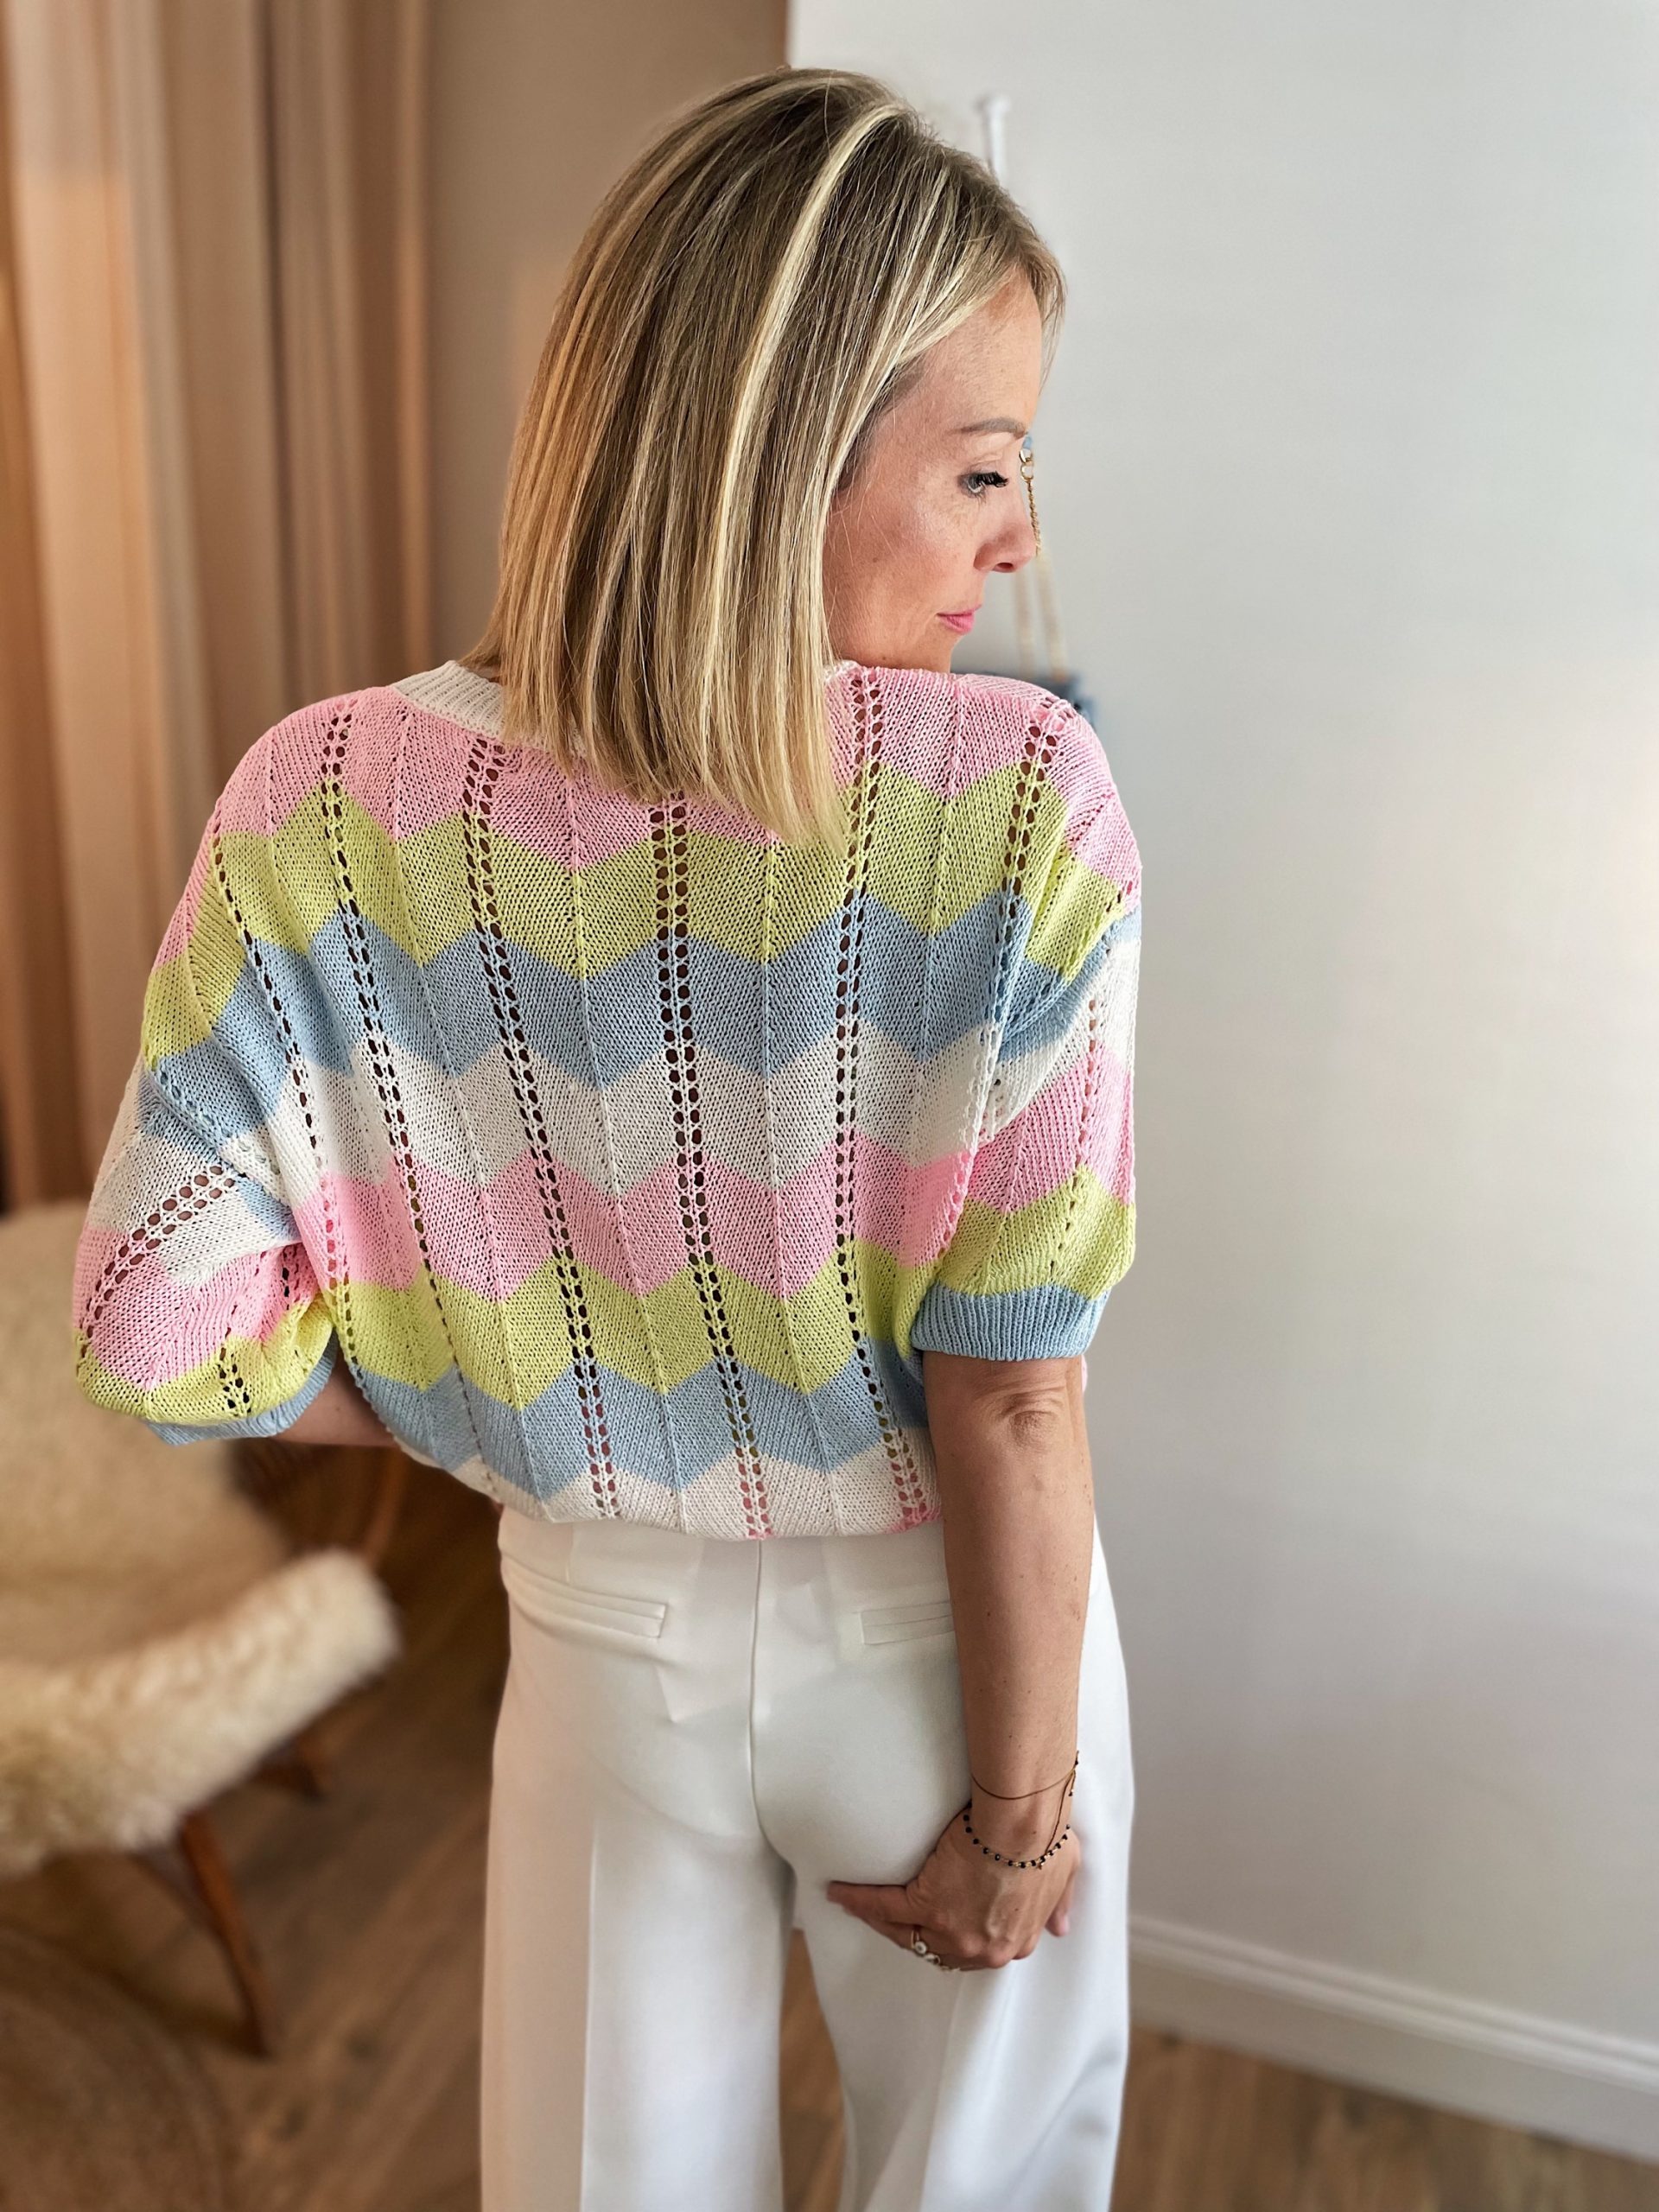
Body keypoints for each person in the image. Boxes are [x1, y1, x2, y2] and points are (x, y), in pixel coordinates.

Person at [70, 64, 1142, 2212]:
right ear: (787, 440)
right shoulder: (1021, 796)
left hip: (592, 1641)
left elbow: (152, 1323)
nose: (1018, 534)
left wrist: (502, 1387)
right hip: (944, 1653)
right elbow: (1013, 1393)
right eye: (985, 468)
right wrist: (1025, 1816)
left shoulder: (320, 794)